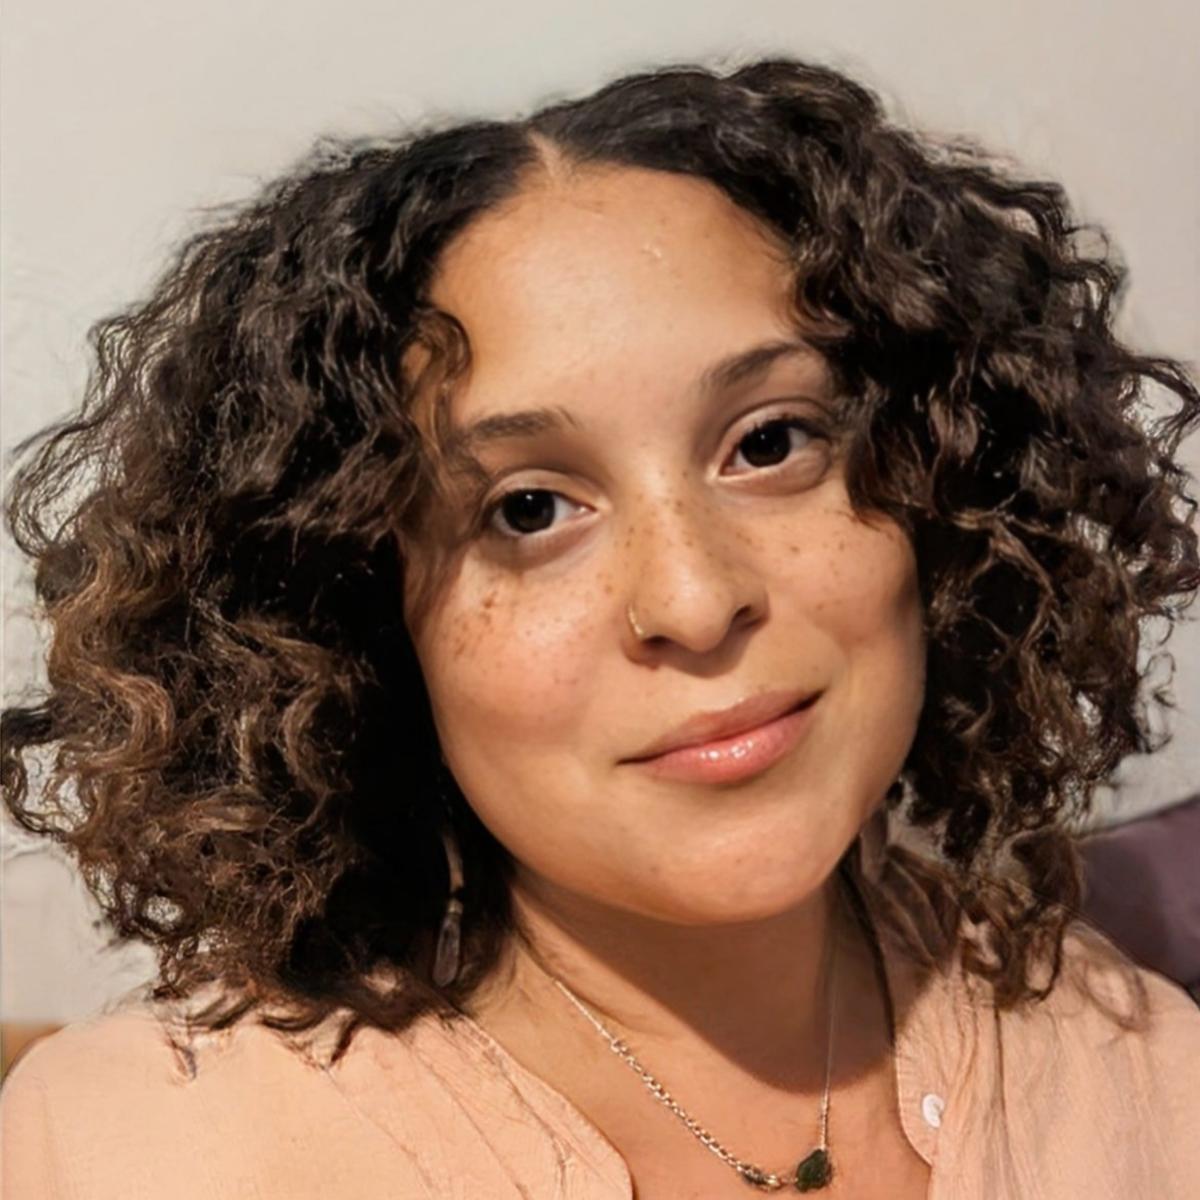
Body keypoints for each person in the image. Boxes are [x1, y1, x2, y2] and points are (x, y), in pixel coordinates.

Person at [1, 55, 1198, 1200]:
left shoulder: (1145, 1072)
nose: (691, 599)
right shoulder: (133, 1147)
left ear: (948, 485)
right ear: (350, 620)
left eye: (769, 441)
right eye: (529, 510)